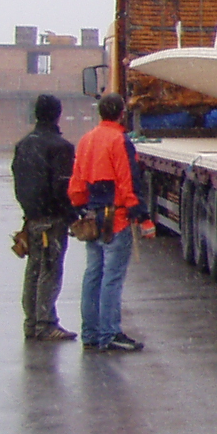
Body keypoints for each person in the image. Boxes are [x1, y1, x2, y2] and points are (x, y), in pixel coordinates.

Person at [69, 92, 144, 353]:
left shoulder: (86, 140)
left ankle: (90, 332)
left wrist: (80, 206)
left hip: (92, 215)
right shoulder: (119, 140)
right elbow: (127, 177)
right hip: (116, 218)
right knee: (112, 278)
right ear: (122, 113)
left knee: (93, 274)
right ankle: (110, 332)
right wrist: (137, 210)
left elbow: (77, 181)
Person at [11, 94, 77, 342]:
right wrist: (71, 214)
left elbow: (18, 180)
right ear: (57, 114)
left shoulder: (24, 144)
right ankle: (46, 323)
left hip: (32, 216)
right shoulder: (60, 147)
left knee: (34, 270)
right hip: (52, 217)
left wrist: (29, 210)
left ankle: (31, 322)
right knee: (50, 270)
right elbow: (62, 187)